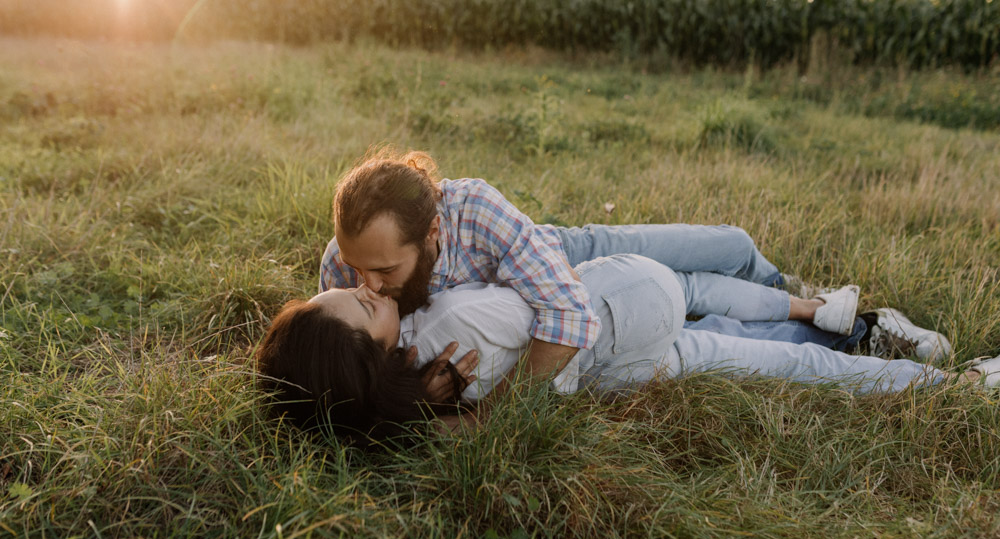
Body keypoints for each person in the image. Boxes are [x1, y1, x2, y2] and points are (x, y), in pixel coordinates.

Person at [319, 148, 895, 395]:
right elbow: (349, 358)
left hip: (564, 255)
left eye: (385, 269)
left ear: (434, 232)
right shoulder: (345, 270)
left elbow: (563, 309)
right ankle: (840, 328)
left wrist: (491, 420)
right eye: (354, 268)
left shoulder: (474, 209)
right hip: (550, 308)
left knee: (730, 245)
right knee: (697, 313)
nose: (363, 284)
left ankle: (790, 293)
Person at [259, 254, 990, 446]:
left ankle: (941, 380)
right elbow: (560, 319)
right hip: (624, 313)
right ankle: (911, 360)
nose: (364, 286)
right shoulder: (454, 325)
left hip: (627, 366)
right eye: (359, 303)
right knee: (707, 293)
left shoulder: (415, 404)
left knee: (778, 360)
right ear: (364, 353)